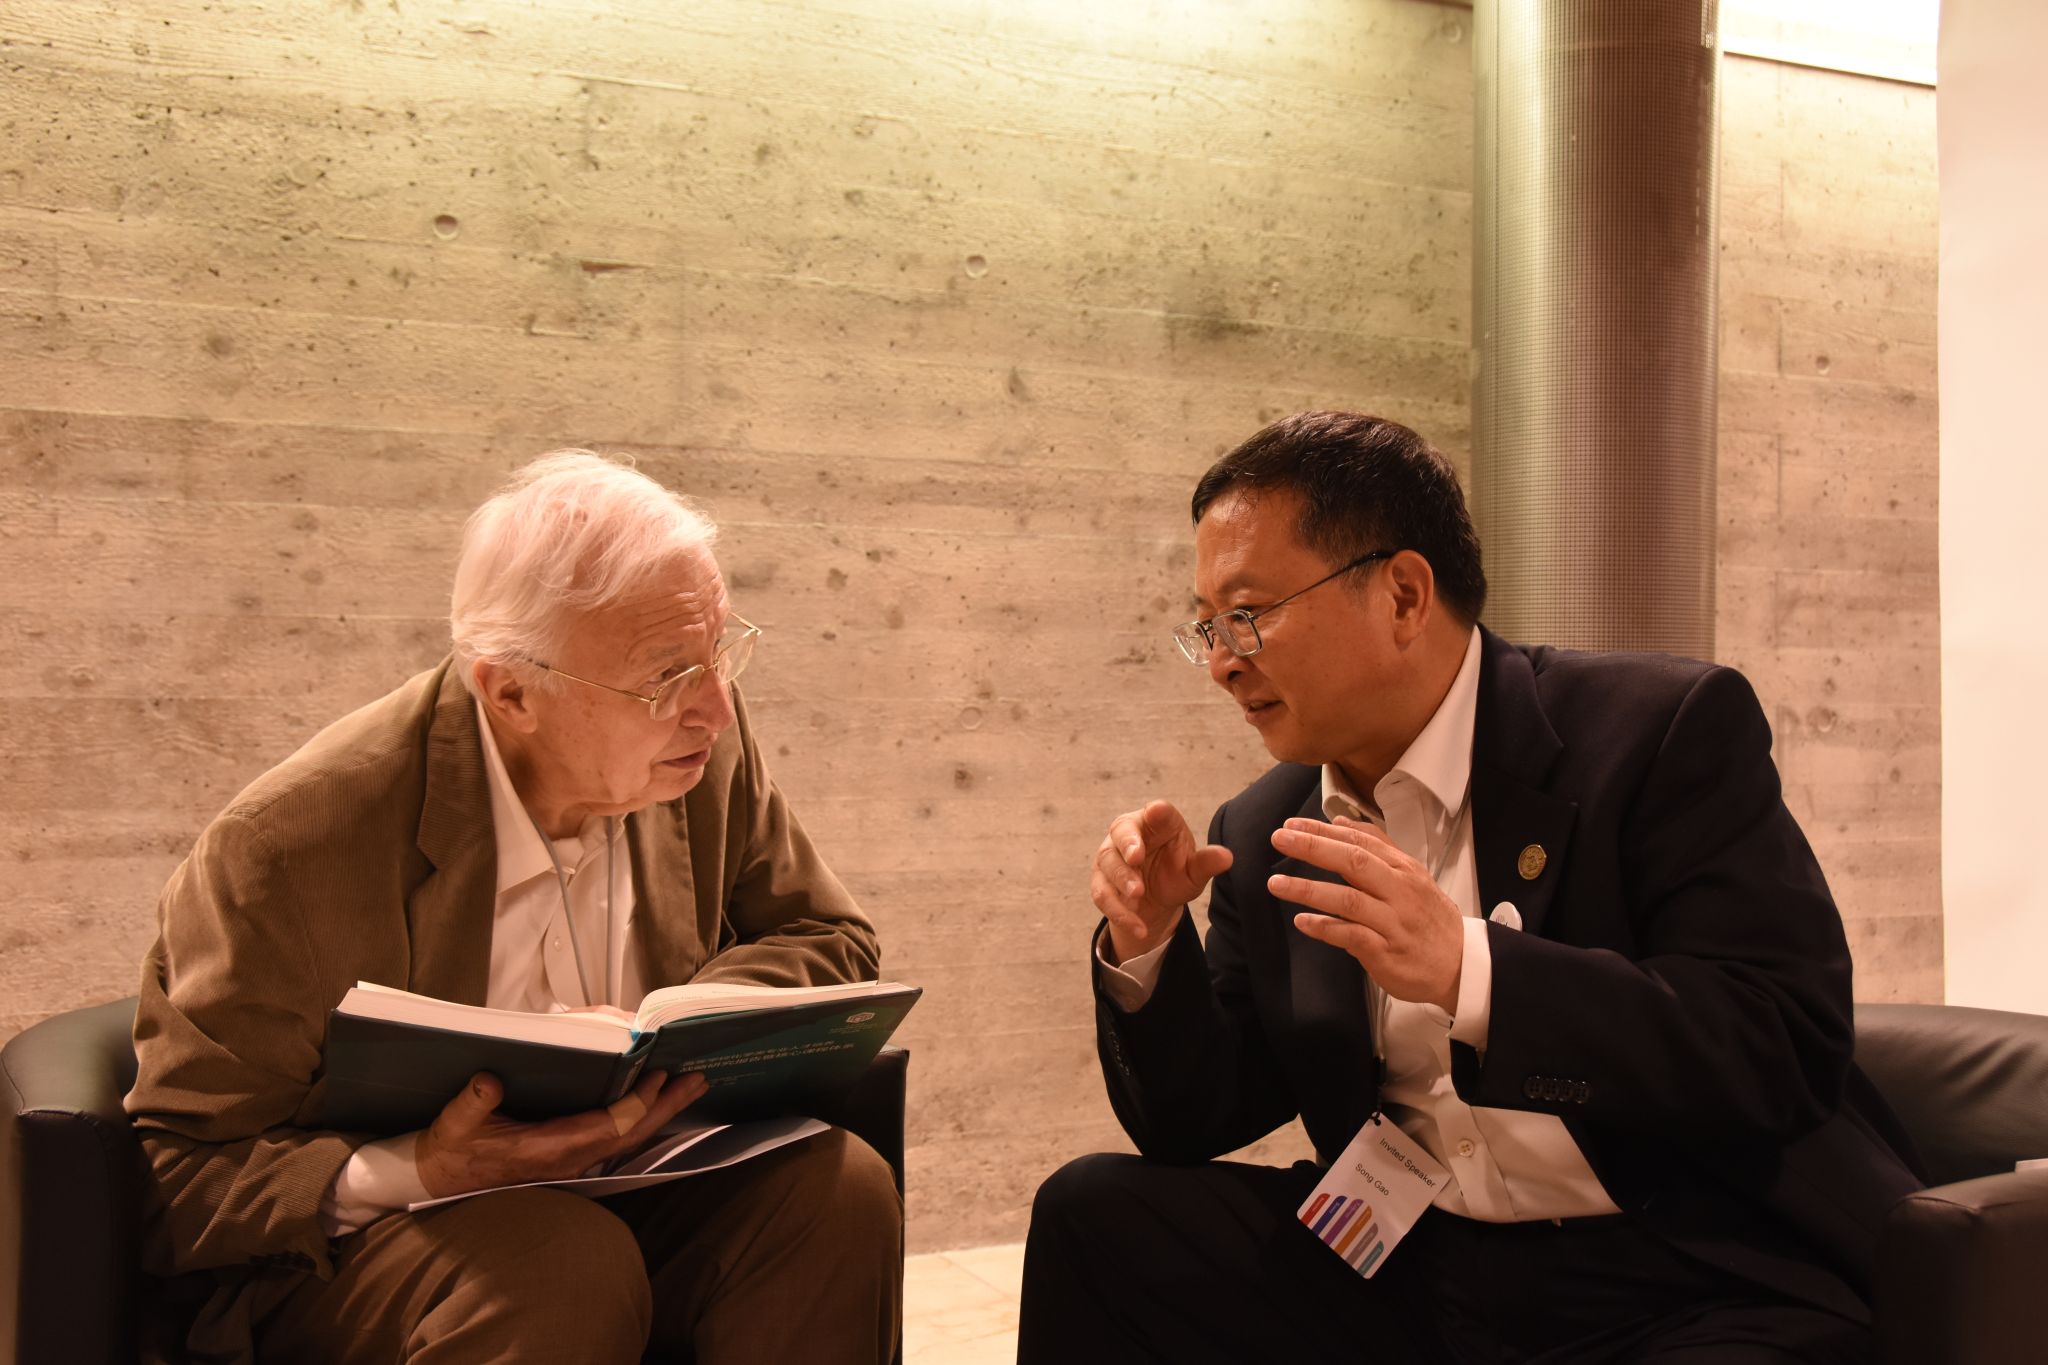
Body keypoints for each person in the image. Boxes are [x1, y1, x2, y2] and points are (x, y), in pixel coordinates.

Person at [1020, 412, 1924, 1364]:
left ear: (1404, 595)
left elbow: (1782, 1041)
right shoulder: (1266, 826)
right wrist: (1149, 948)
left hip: (1681, 1262)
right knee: (1095, 1215)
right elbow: (1197, 1116)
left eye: (1248, 613)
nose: (1221, 661)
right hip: (1408, 1258)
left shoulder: (1658, 733)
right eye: (1207, 625)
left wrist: (1472, 970)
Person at [126, 451, 901, 1365]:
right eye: (667, 677)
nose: (716, 710)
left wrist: (696, 1020)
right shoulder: (291, 848)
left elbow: (827, 932)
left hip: (643, 1178)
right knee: (561, 1267)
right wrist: (422, 1165)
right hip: (378, 1243)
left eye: (721, 652)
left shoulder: (693, 753)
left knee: (837, 1190)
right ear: (511, 691)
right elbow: (182, 1173)